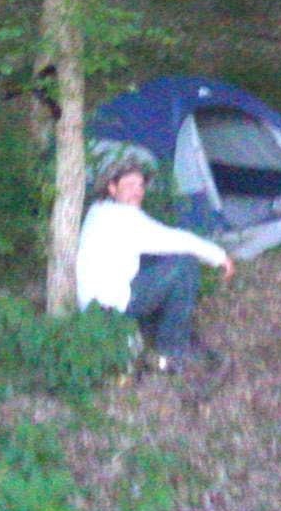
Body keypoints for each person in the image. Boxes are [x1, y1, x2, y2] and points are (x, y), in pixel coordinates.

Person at [78, 155, 233, 371]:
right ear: (112, 188)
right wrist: (218, 256)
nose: (138, 191)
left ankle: (155, 326)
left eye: (140, 185)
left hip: (95, 307)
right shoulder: (124, 218)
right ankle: (171, 351)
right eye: (129, 185)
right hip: (111, 309)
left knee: (158, 259)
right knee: (184, 264)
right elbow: (175, 239)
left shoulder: (99, 210)